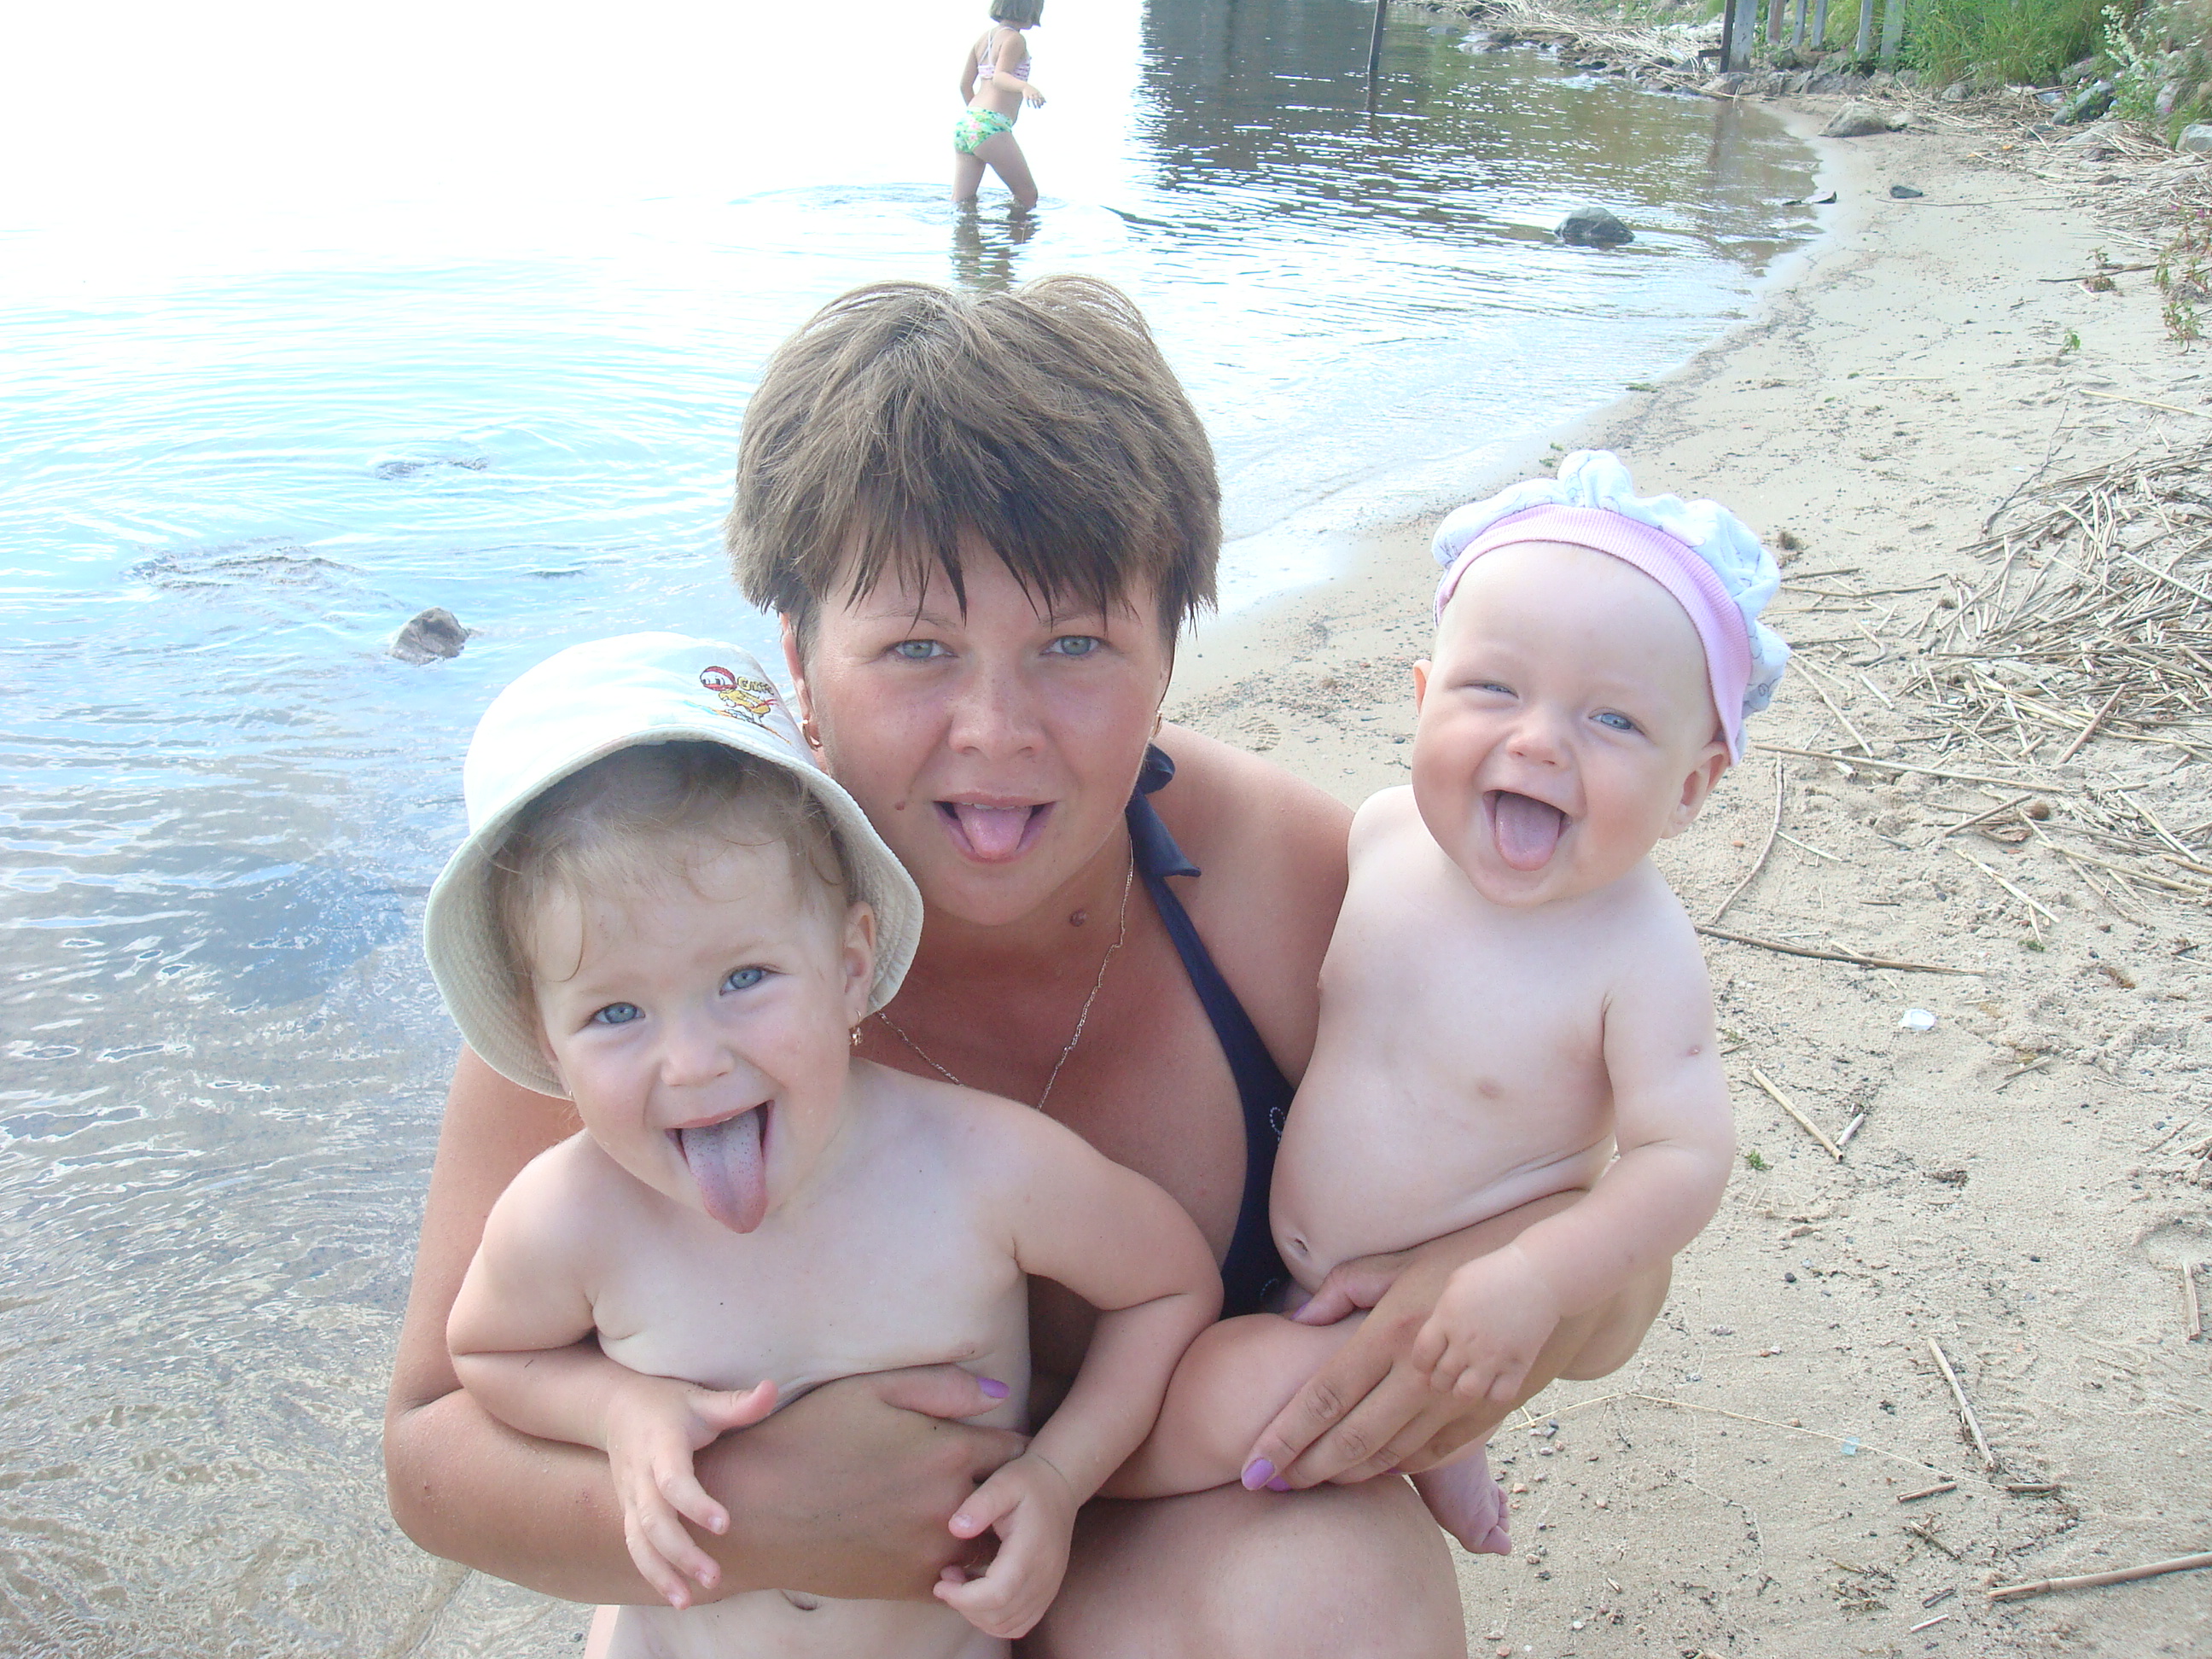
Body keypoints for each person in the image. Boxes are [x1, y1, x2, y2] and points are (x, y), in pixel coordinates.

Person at [384, 276, 1530, 1659]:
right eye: (917, 648)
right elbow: (432, 1450)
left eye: (1073, 643)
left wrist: (1514, 1303)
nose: (994, 728)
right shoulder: (639, 958)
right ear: (798, 662)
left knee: (1336, 1588)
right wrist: (767, 1516)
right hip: (797, 1623)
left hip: (1166, 1549)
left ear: (1169, 649)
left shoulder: (1286, 884)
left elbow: (1590, 1208)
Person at [429, 633, 1220, 1655]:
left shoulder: (980, 1168)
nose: (692, 1063)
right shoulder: (569, 1216)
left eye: (744, 979)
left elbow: (1167, 1284)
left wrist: (1060, 1475)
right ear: (548, 1044)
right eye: (616, 1013)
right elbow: (489, 1352)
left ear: (850, 965)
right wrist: (620, 1413)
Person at [1106, 452, 1790, 1560]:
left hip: (1442, 1306)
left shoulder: (1636, 949)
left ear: (1693, 785)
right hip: (1294, 1270)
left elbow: (1684, 1157)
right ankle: (1431, 1457)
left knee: (1213, 1394)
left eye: (1614, 721)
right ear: (1424, 698)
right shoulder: (1382, 836)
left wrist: (1531, 1279)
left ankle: (1073, 1503)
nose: (1539, 740)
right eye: (1495, 691)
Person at [954, 1, 1045, 212]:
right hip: (991, 124)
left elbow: (964, 85)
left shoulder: (984, 38)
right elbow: (1000, 76)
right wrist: (1025, 87)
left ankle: (966, 233)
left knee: (962, 202)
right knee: (1027, 195)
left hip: (968, 122)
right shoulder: (1015, 39)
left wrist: (977, 122)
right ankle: (1014, 233)